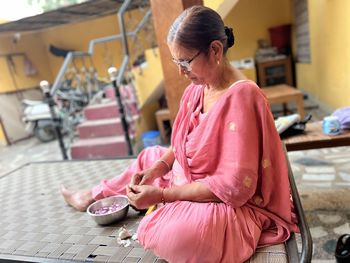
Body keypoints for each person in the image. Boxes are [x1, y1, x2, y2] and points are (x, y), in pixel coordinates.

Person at [62, 5, 298, 262]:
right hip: (189, 181)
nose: (180, 72)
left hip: (228, 203)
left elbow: (232, 188)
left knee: (176, 236)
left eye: (185, 62)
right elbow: (181, 143)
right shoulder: (198, 89)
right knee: (148, 157)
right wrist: (159, 169)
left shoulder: (243, 97)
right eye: (177, 62)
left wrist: (163, 194)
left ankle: (166, 206)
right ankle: (95, 195)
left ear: (215, 50)